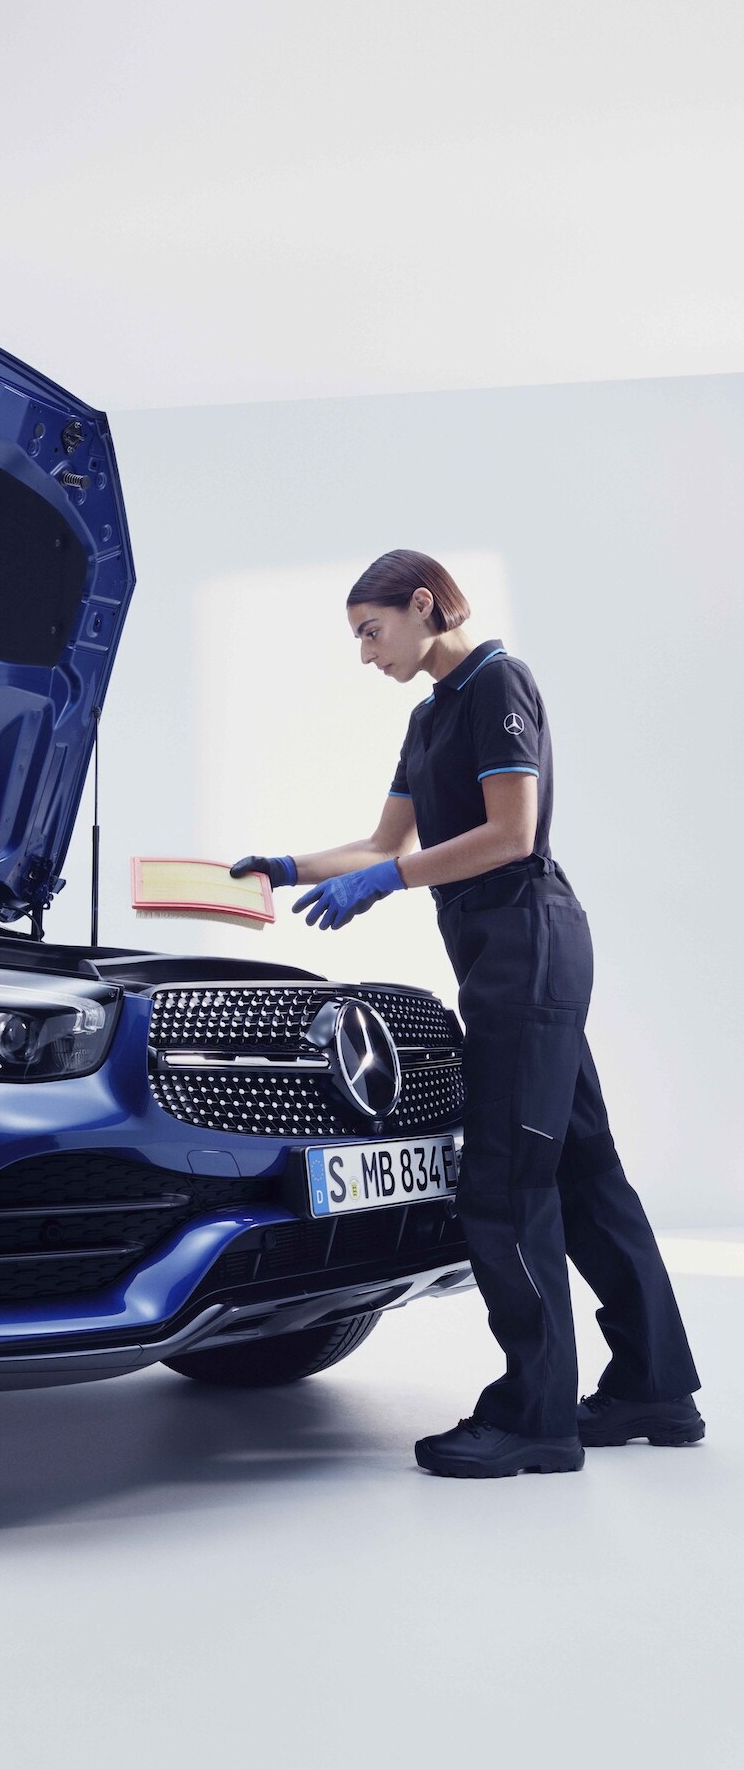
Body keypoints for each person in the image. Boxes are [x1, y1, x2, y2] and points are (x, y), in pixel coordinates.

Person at [229, 548, 703, 1478]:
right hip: (498, 952)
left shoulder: (496, 681)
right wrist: (284, 869)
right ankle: (654, 1385)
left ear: (421, 606)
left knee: (503, 1181)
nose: (365, 654)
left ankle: (537, 1417)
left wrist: (387, 881)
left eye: (373, 631)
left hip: (528, 938)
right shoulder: (428, 716)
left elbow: (510, 833)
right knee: (585, 1172)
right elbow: (382, 840)